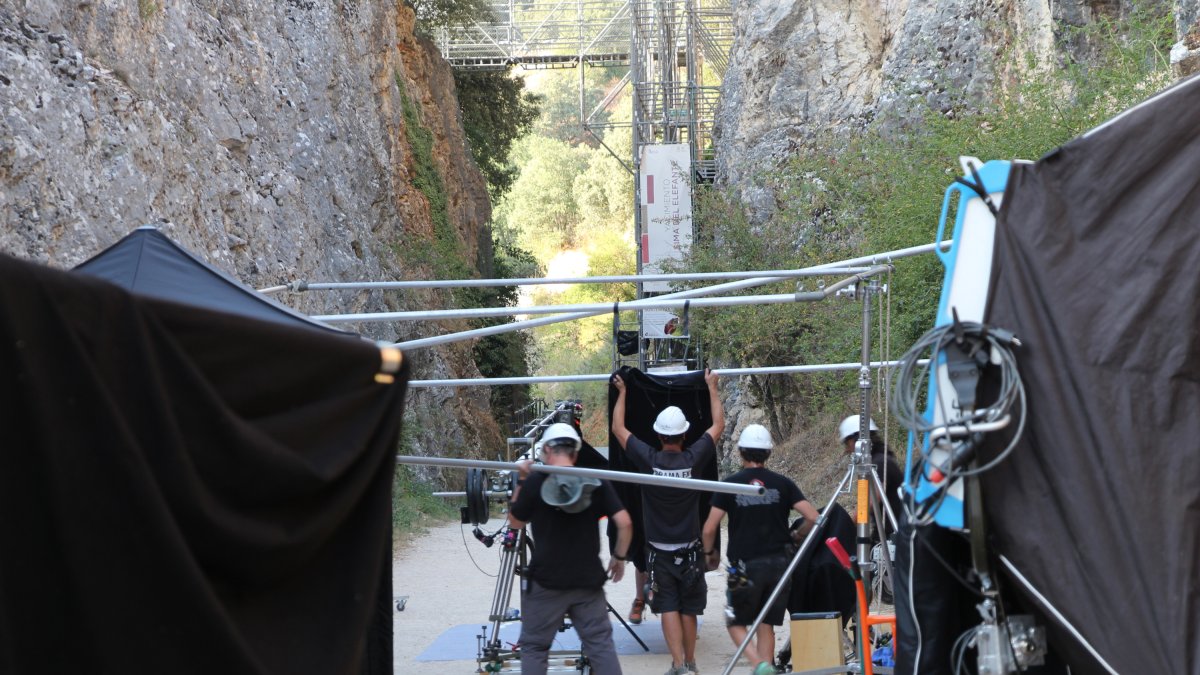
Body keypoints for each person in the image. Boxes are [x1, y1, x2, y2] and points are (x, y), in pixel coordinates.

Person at [611, 368, 724, 675]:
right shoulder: (693, 458)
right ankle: (691, 661)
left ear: (659, 435)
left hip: (659, 554)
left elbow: (619, 428)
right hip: (690, 552)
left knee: (668, 608)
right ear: (684, 434)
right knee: (689, 609)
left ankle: (677, 665)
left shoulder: (649, 460)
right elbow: (718, 426)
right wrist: (711, 387)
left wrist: (622, 393)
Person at [508, 422, 634, 675]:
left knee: (534, 647)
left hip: (546, 582)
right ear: (575, 453)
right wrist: (618, 557)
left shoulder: (535, 482)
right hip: (587, 581)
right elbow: (625, 522)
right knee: (600, 645)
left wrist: (521, 480)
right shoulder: (594, 480)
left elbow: (515, 522)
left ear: (546, 451)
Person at [700, 424, 820, 675]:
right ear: (768, 453)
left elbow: (710, 528)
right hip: (779, 567)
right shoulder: (783, 484)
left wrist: (710, 554)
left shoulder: (731, 484)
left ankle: (760, 665)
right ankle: (766, 668)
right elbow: (812, 516)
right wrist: (796, 535)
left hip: (746, 567)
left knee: (735, 621)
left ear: (742, 451)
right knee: (766, 624)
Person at [838, 414, 903, 530]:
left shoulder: (880, 463)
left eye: (847, 444)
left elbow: (870, 503)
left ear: (858, 440)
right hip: (885, 531)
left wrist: (847, 527)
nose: (847, 449)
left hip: (895, 534)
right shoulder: (876, 461)